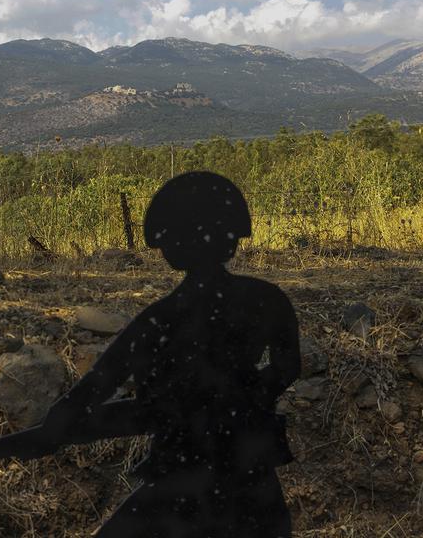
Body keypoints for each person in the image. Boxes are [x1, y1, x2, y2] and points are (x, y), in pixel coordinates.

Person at [42, 171, 301, 537]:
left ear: (172, 247)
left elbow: (95, 386)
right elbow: (287, 367)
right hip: (252, 482)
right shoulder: (267, 299)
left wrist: (56, 425)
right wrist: (242, 399)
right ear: (232, 238)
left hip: (180, 485)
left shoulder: (157, 321)